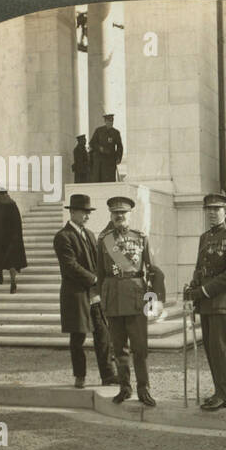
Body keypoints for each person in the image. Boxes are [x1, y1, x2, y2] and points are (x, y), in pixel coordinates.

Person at [96, 196, 156, 406]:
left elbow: (152, 271)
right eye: (115, 213)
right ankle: (124, 388)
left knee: (140, 348)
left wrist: (152, 300)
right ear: (110, 216)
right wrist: (103, 300)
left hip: (137, 298)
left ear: (130, 215)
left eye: (123, 213)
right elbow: (100, 273)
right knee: (119, 347)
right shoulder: (104, 240)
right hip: (113, 298)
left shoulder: (141, 238)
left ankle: (143, 388)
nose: (119, 216)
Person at [54, 193, 117, 388]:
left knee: (102, 334)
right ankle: (79, 376)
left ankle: (108, 375)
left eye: (88, 213)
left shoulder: (89, 234)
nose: (87, 216)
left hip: (94, 293)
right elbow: (70, 266)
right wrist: (94, 279)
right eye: (83, 212)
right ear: (72, 212)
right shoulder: (63, 237)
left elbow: (97, 259)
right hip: (76, 293)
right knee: (78, 337)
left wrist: (104, 276)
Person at [188, 193, 226, 410]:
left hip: (221, 300)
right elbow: (200, 266)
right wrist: (193, 285)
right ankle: (219, 391)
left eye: (216, 209)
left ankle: (225, 394)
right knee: (211, 349)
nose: (212, 213)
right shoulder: (204, 237)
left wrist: (204, 290)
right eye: (209, 209)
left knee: (219, 348)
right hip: (206, 301)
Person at [0, 187, 27, 293]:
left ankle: (11, 282)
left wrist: (15, 237)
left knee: (9, 261)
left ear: (0, 195)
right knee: (4, 260)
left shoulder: (9, 205)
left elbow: (16, 222)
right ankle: (3, 278)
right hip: (2, 238)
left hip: (8, 238)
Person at [89, 113, 123, 183]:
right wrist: (100, 148)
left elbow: (119, 146)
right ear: (105, 121)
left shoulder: (116, 133)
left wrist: (118, 157)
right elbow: (92, 143)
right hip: (99, 162)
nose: (111, 123)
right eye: (109, 121)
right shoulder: (98, 131)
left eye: (112, 121)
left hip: (110, 162)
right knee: (98, 181)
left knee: (109, 181)